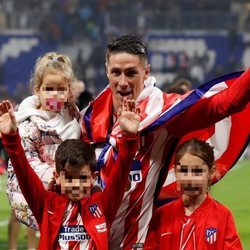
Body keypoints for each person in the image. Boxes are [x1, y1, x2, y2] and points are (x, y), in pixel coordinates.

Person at [81, 35, 250, 249]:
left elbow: (225, 103)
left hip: (135, 242)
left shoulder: (164, 114)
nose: (122, 82)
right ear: (107, 71)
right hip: (89, 240)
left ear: (146, 72)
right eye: (116, 72)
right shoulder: (88, 119)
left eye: (131, 73)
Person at [0, 98, 140, 249]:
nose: (75, 184)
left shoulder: (102, 204)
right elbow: (24, 174)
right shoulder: (46, 203)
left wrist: (129, 138)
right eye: (68, 177)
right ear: (57, 177)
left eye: (82, 178)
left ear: (93, 178)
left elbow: (120, 173)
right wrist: (11, 139)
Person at [6, 52, 82, 248]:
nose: (55, 94)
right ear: (37, 90)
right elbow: (27, 160)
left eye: (60, 89)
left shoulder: (75, 120)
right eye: (49, 89)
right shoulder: (28, 123)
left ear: (68, 92)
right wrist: (55, 176)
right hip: (38, 195)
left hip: (69, 195)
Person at [144, 138, 243, 249]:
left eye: (197, 171)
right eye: (184, 171)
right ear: (176, 172)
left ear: (211, 172)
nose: (190, 178)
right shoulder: (161, 215)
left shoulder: (223, 216)